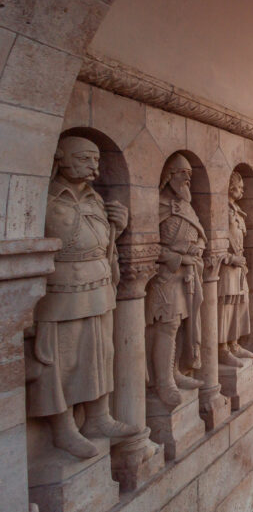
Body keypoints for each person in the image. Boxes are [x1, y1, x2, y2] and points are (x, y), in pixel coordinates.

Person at [27, 136, 139, 458]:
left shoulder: (95, 200)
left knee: (100, 353)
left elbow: (101, 245)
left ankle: (98, 418)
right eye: (85, 159)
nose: (94, 167)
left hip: (98, 287)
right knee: (59, 359)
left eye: (96, 160)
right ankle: (64, 429)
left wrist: (118, 226)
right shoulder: (43, 198)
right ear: (60, 158)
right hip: (60, 292)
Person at [147, 154, 205, 406]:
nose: (187, 179)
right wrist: (178, 258)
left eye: (190, 174)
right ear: (169, 175)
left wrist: (197, 250)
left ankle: (175, 372)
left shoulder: (187, 206)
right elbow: (144, 247)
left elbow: (200, 236)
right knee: (167, 327)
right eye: (182, 173)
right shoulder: (157, 206)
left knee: (181, 326)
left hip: (187, 278)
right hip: (165, 278)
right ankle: (163, 381)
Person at [218, 172, 253, 368]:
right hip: (227, 269)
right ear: (229, 185)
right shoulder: (220, 210)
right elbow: (214, 246)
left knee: (240, 304)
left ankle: (234, 343)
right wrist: (232, 258)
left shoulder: (237, 211)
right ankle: (222, 348)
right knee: (226, 306)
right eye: (239, 186)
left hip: (239, 268)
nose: (242, 189)